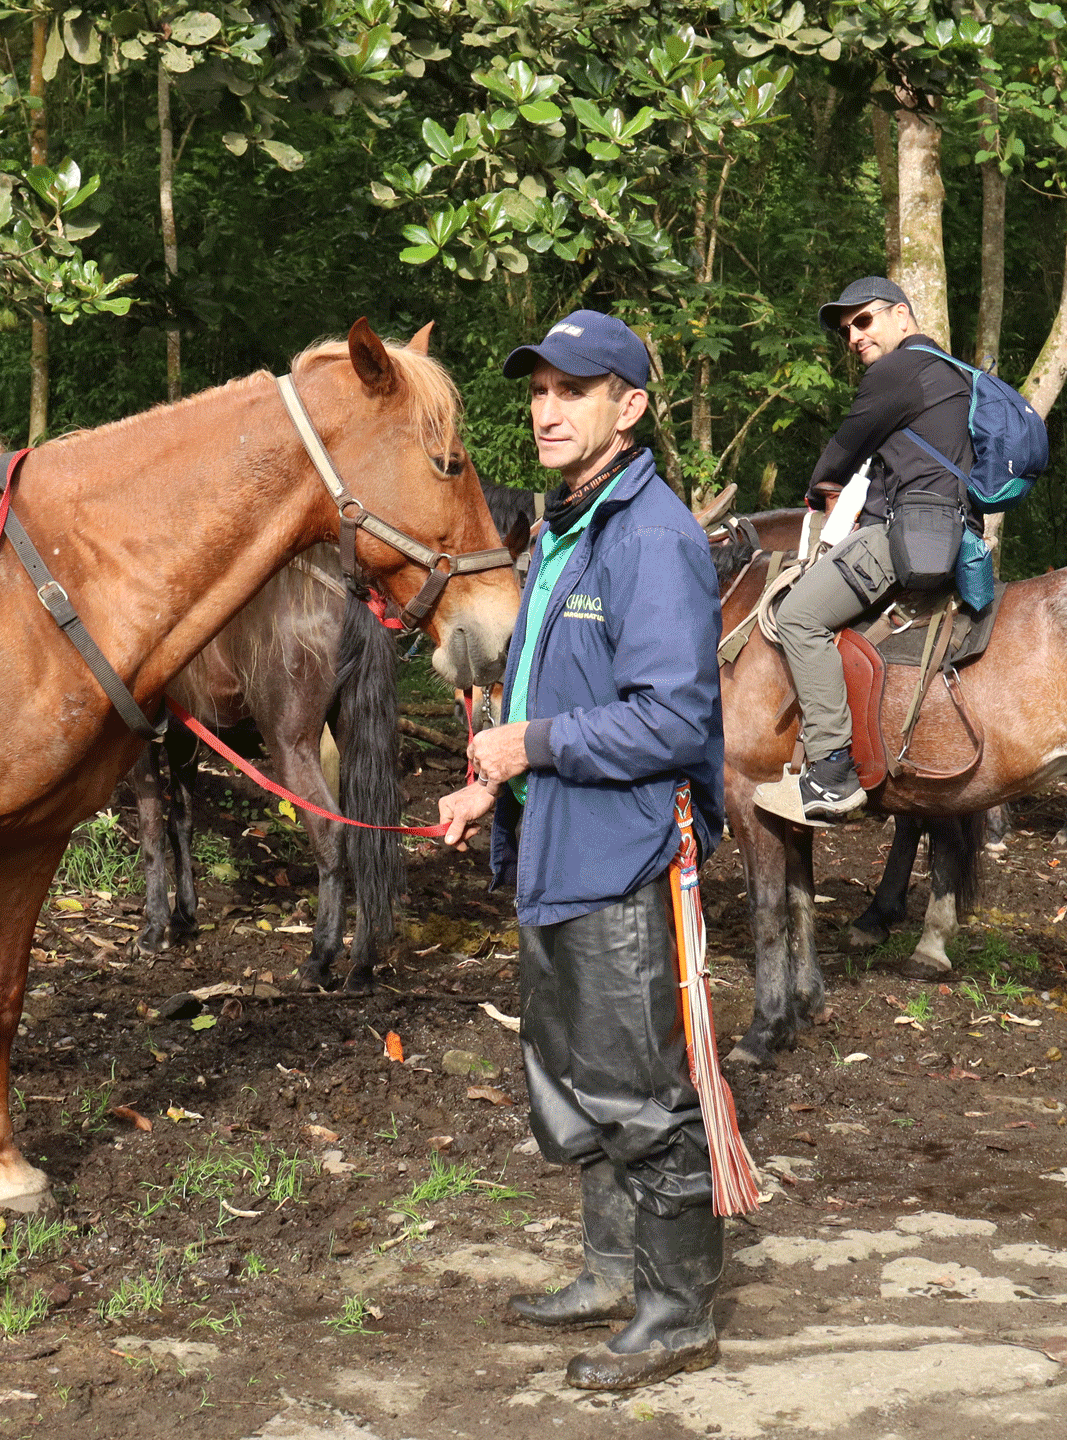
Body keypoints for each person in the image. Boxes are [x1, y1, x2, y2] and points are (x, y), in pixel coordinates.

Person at [432, 309, 729, 1392]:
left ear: (629, 405)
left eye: (573, 388)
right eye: (538, 388)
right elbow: (543, 688)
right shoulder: (566, 524)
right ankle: (610, 1273)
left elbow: (674, 719)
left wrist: (532, 743)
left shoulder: (651, 536)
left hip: (616, 855)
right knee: (571, 1077)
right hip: (549, 844)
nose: (545, 409)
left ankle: (677, 1310)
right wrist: (488, 780)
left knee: (636, 1094)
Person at [758, 275, 976, 823]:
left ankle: (832, 771)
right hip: (947, 525)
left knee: (799, 615)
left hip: (904, 533)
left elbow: (847, 442)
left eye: (864, 319)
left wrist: (815, 489)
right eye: (846, 329)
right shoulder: (946, 373)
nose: (854, 335)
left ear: (903, 316)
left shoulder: (898, 370)